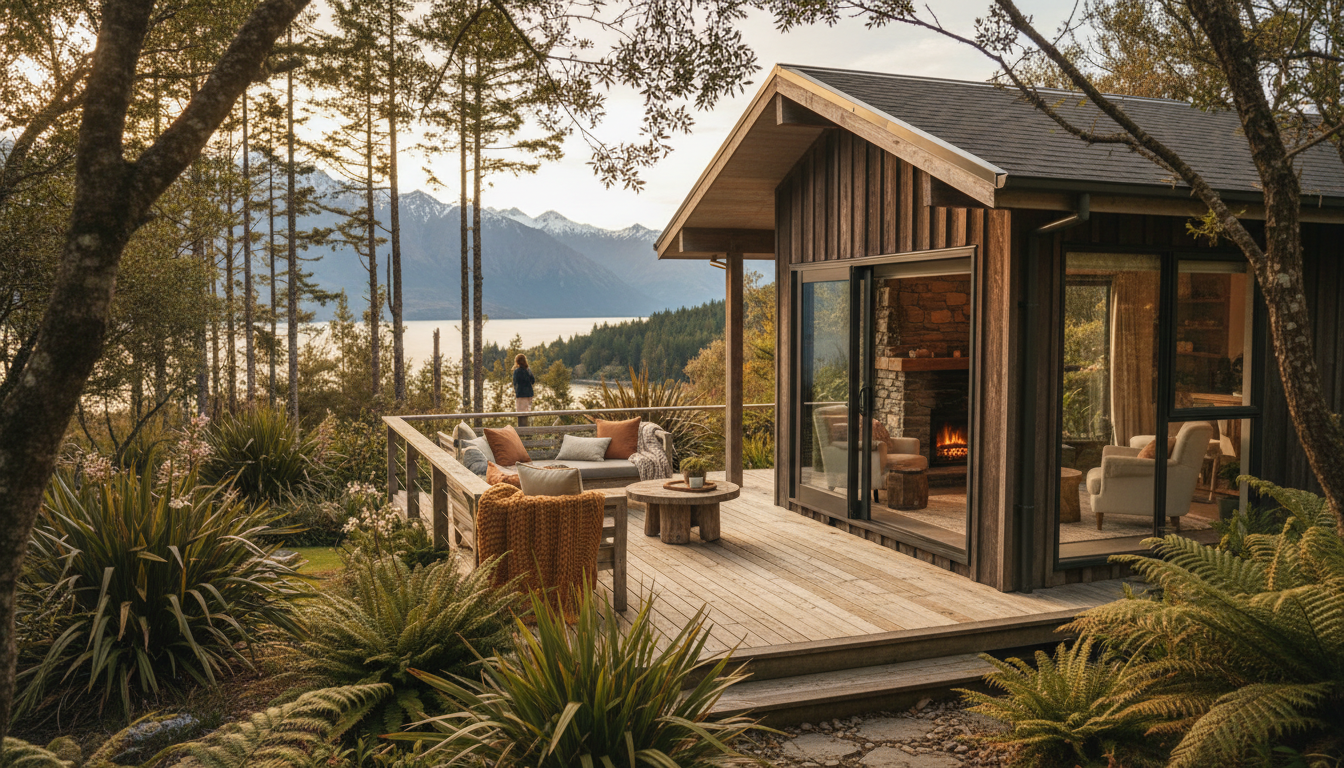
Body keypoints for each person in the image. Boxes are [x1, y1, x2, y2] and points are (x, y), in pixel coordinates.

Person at [512, 353, 535, 426]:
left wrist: (516, 392)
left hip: (521, 395)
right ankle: (528, 431)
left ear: (517, 362)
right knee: (527, 413)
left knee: (520, 414)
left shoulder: (517, 371)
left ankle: (522, 432)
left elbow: (515, 383)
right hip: (529, 395)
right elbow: (533, 381)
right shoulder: (528, 370)